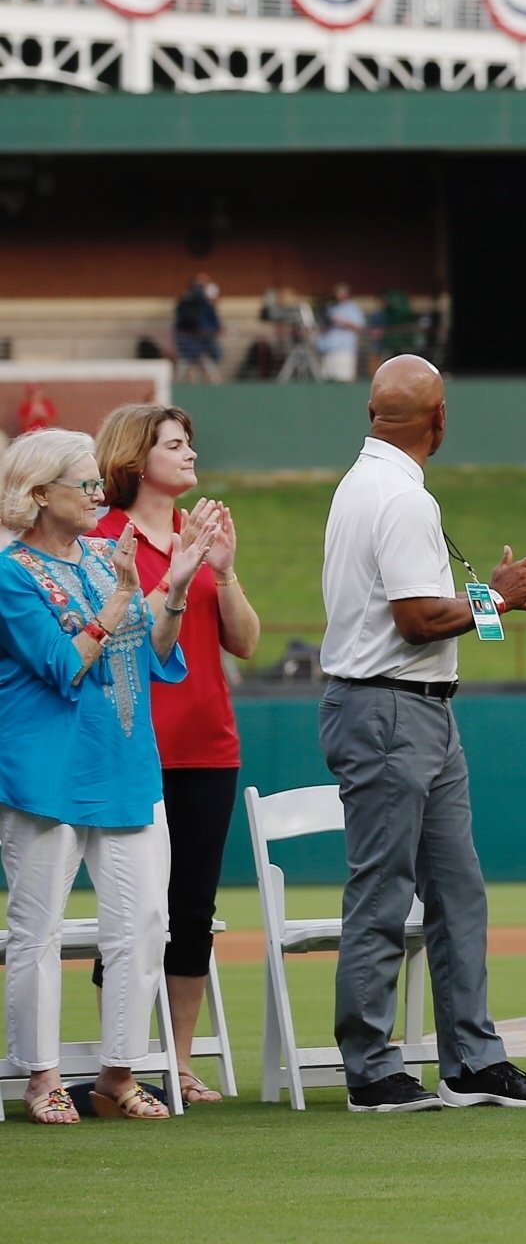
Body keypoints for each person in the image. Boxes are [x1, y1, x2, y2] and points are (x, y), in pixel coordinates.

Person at [319, 356, 526, 1112]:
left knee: (457, 891)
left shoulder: (370, 486)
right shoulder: (400, 499)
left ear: (373, 413)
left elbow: (433, 622)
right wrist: (499, 593)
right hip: (390, 708)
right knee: (385, 891)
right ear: (440, 418)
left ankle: (472, 1060)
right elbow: (416, 619)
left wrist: (501, 605)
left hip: (416, 705)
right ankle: (371, 1068)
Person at [0, 428, 200, 1124]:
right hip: (43, 775)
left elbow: (154, 655)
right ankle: (42, 1078)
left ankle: (119, 1073)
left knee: (143, 924)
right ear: (39, 494)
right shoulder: (11, 573)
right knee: (37, 931)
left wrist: (174, 585)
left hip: (123, 764)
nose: (96, 494)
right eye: (82, 484)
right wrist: (118, 602)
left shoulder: (100, 559)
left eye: (95, 483)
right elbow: (61, 665)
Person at [89, 404, 259, 1108]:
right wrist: (178, 578)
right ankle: (118, 1066)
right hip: (132, 750)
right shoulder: (103, 540)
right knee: (129, 915)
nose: (190, 454)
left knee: (191, 911)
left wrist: (226, 569)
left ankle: (179, 1065)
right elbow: (117, 636)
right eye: (174, 444)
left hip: (208, 748)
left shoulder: (200, 532)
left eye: (190, 443)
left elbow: (244, 642)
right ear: (136, 457)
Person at [173, 272, 223, 381]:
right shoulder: (187, 301)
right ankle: (185, 383)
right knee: (187, 361)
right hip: (189, 338)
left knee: (206, 362)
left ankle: (213, 384)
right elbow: (182, 320)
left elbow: (213, 321)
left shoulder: (204, 303)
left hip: (202, 338)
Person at [316, 284, 367, 384]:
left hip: (344, 349)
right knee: (327, 378)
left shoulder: (352, 307)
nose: (338, 295)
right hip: (329, 349)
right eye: (337, 292)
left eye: (341, 292)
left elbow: (360, 326)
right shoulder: (332, 308)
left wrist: (342, 321)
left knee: (343, 379)